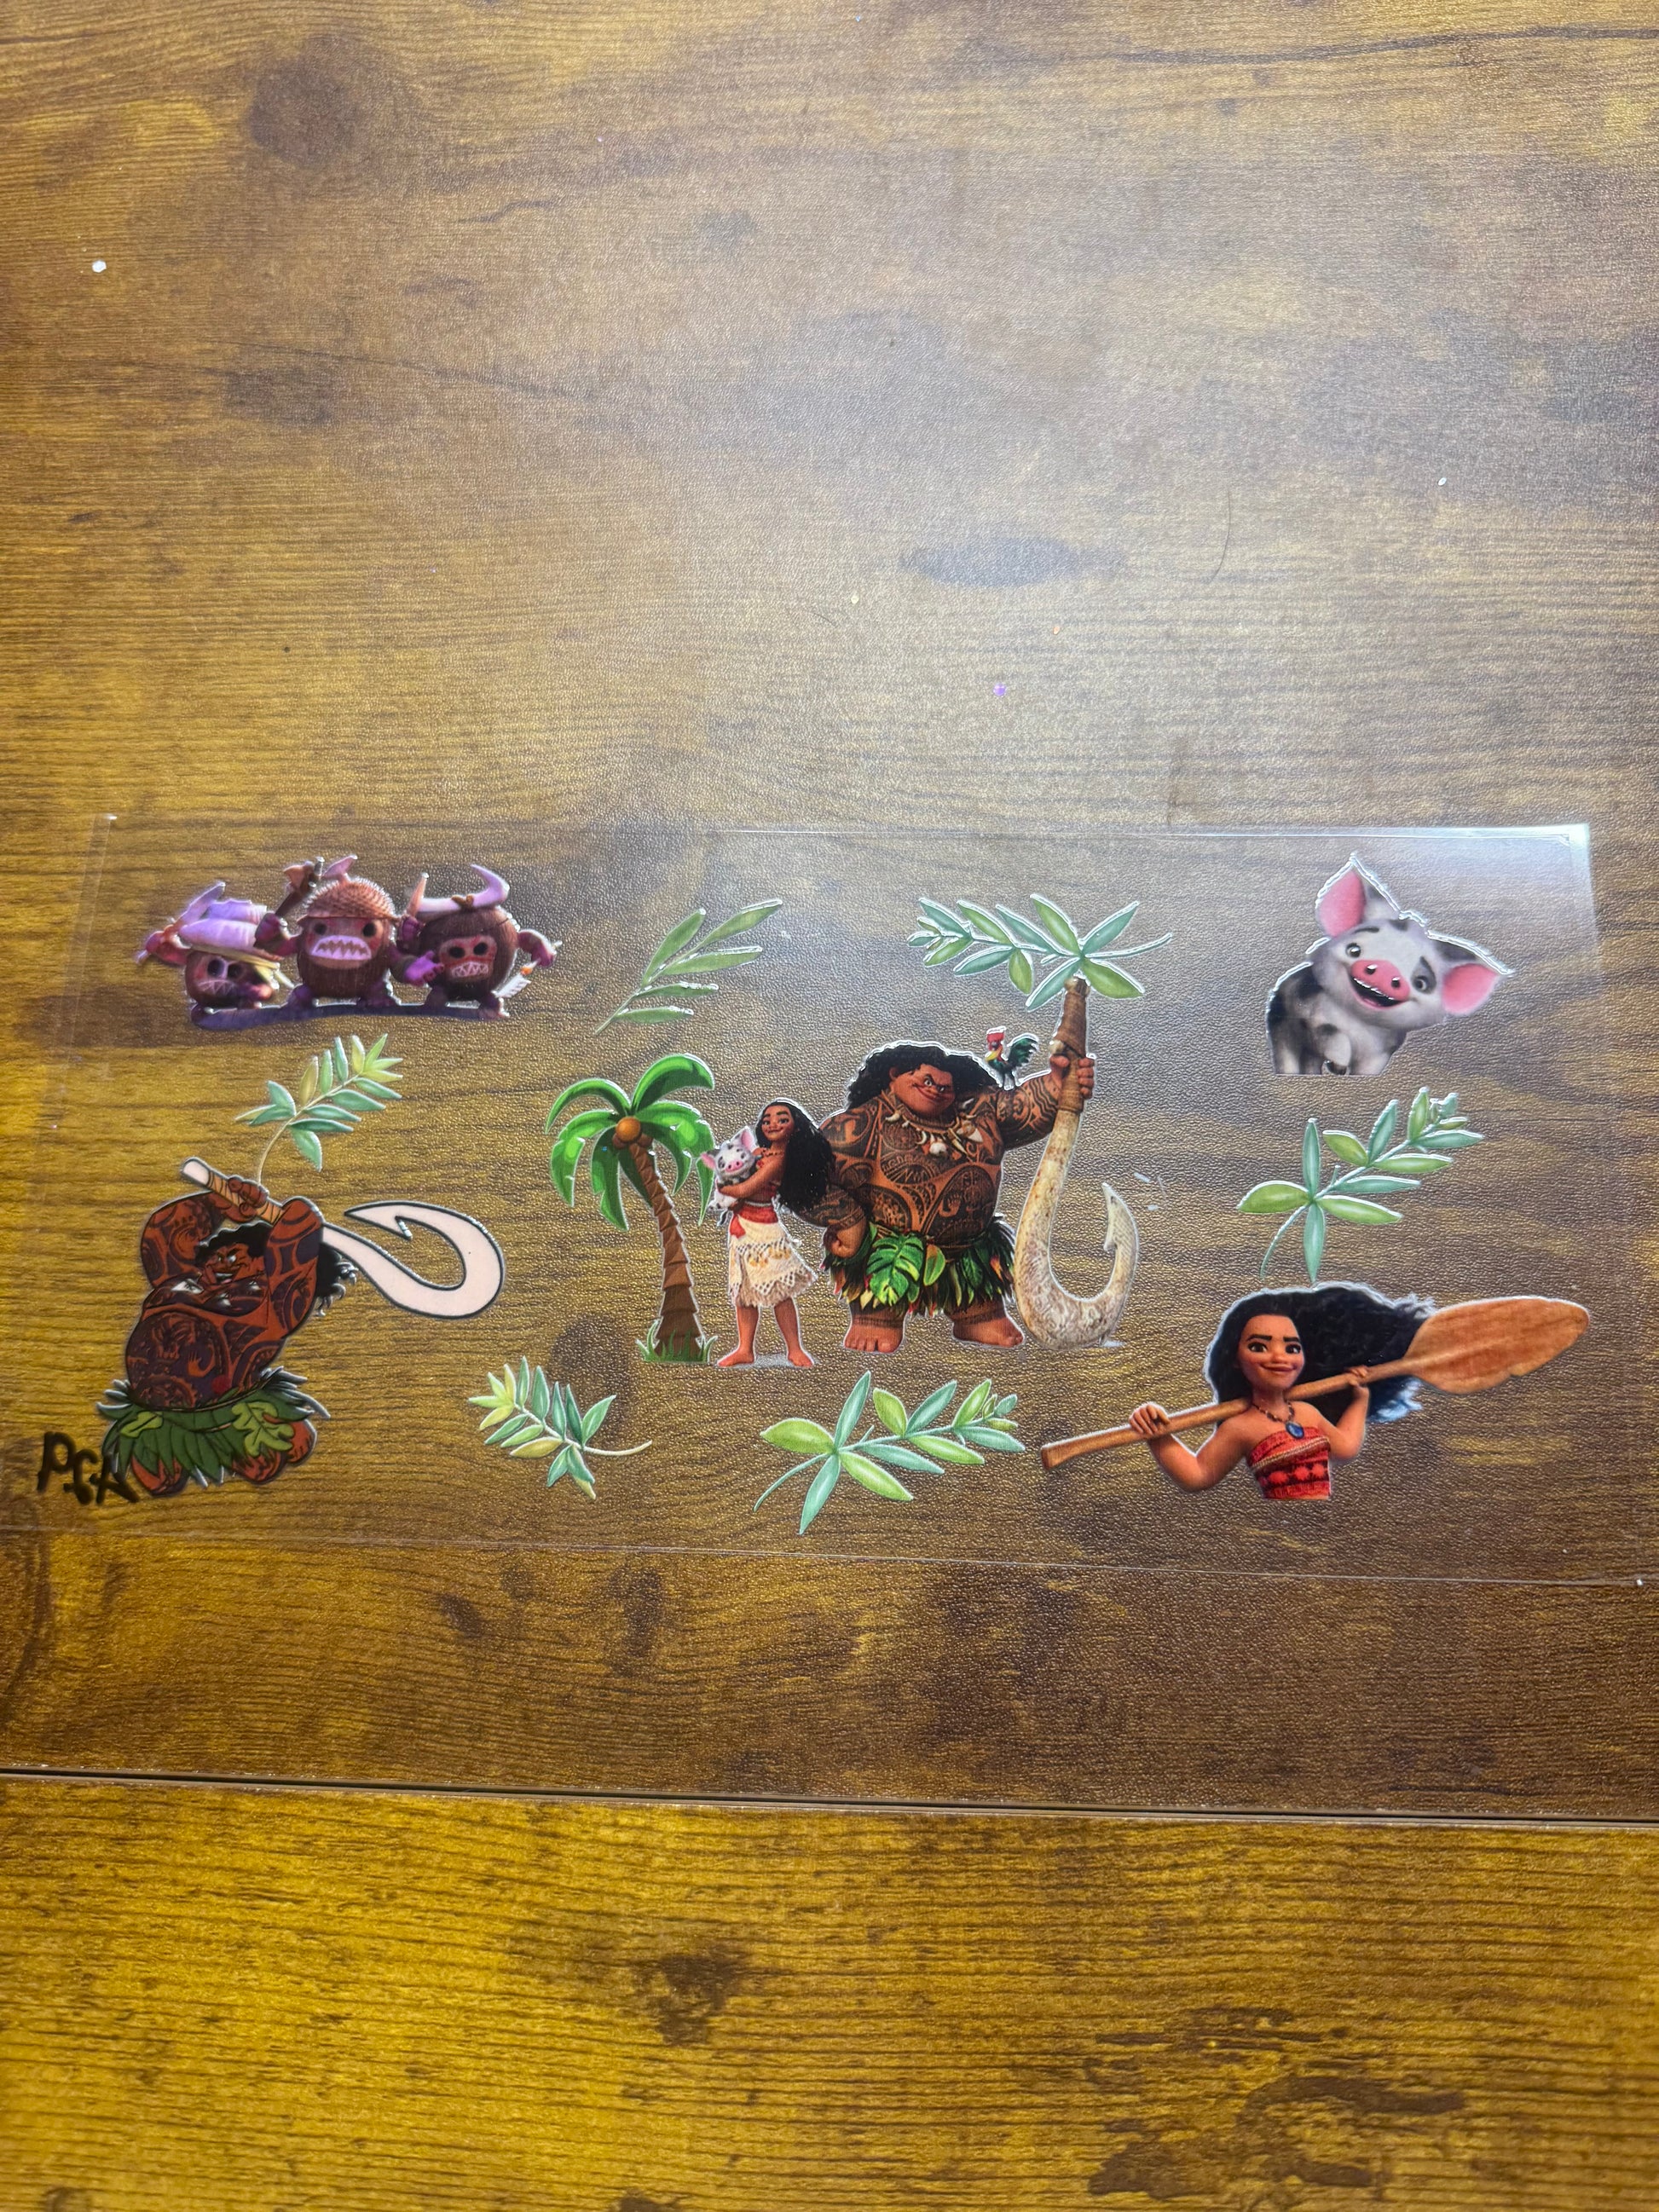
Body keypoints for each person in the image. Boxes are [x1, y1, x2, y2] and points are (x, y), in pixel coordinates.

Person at [785, 1035, 1094, 1353]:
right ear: (894, 1075)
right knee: (879, 1302)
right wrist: (848, 1221)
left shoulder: (978, 1108)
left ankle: (976, 1316)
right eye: (927, 1081)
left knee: (978, 1294)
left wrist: (1060, 1083)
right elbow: (804, 1177)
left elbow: (1022, 1106)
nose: (937, 1090)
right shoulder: (859, 1125)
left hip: (971, 1252)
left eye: (946, 1087)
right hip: (887, 1255)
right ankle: (877, 1317)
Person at [1127, 1282, 1428, 1501]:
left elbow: (1346, 1448)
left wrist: (1361, 1398)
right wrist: (1159, 1436)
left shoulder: (1308, 1412)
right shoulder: (1240, 1427)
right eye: (1259, 1347)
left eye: (1292, 1348)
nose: (1279, 1358)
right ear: (1235, 1358)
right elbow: (1198, 1475)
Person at [710, 1100, 829, 1367]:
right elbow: (737, 1170)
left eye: (782, 1119)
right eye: (767, 1120)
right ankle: (745, 1348)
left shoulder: (779, 1161)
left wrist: (723, 1188)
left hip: (764, 1230)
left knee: (779, 1291)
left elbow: (745, 1188)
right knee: (743, 1292)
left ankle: (794, 1348)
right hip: (741, 1228)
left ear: (795, 1126)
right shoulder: (759, 1153)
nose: (773, 1124)